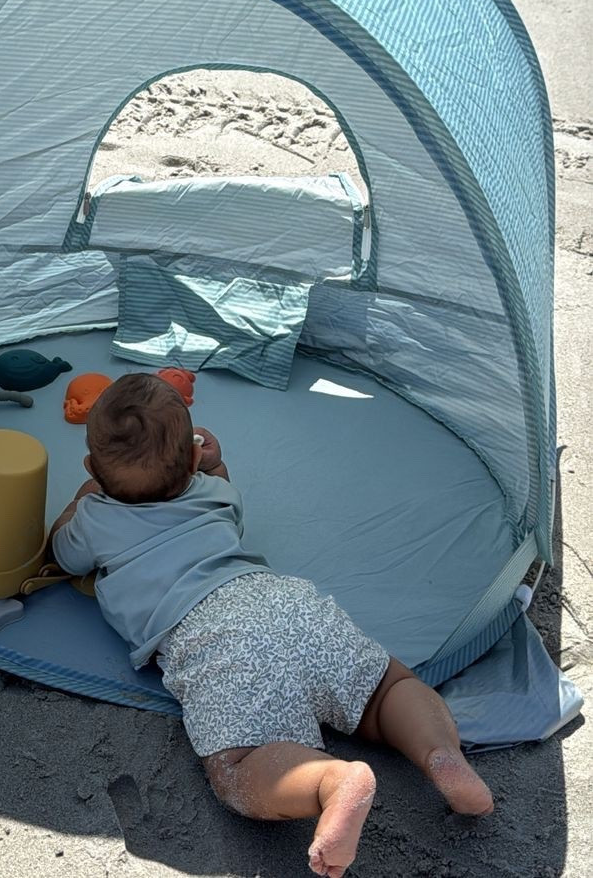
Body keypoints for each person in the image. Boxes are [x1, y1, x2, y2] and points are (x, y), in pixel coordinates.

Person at [50, 373, 493, 878]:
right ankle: (441, 756)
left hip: (214, 640)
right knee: (387, 688)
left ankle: (330, 783)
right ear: (194, 460)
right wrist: (213, 466)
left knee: (238, 765)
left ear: (92, 468)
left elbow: (64, 554)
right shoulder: (212, 493)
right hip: (286, 602)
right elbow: (227, 497)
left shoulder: (94, 517)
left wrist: (80, 502)